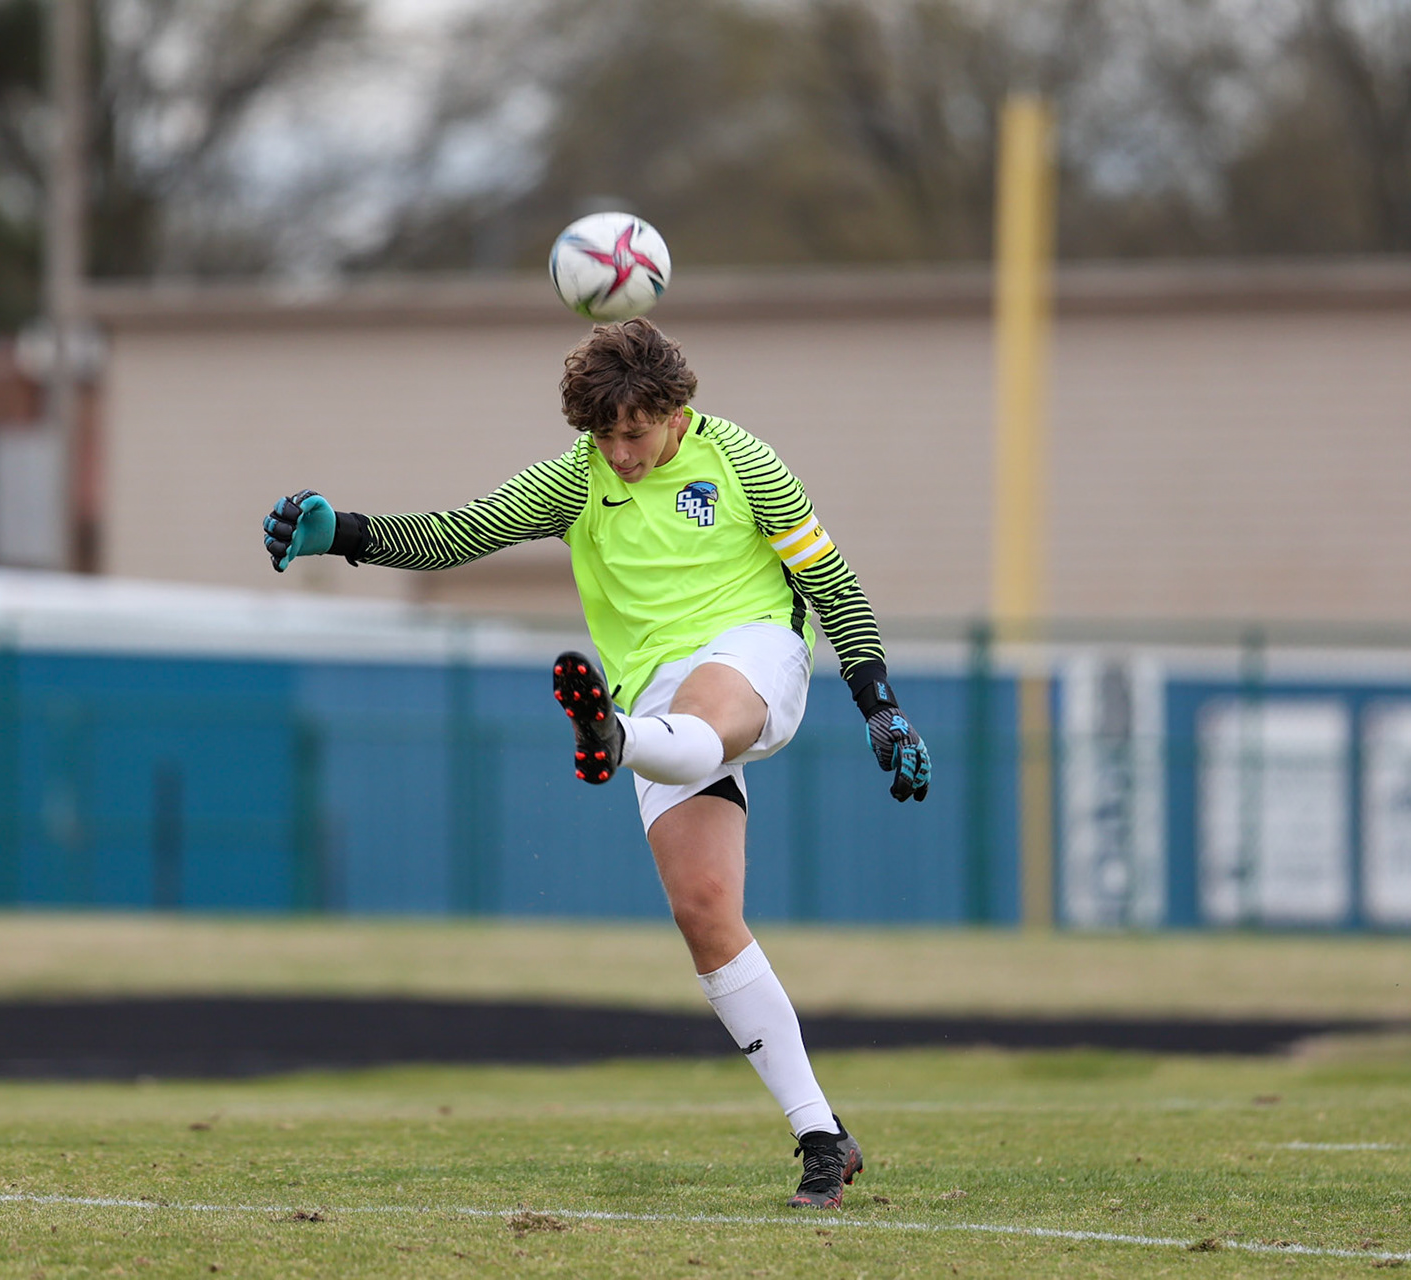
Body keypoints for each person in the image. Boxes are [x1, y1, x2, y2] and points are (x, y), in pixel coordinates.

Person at [260, 317, 931, 1210]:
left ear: (675, 409)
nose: (619, 451)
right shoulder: (577, 482)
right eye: (603, 434)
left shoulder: (746, 463)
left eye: (635, 431)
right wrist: (337, 530)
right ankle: (821, 1134)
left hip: (754, 653)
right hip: (648, 700)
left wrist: (879, 706)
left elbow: (832, 585)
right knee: (706, 915)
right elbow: (457, 534)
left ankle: (613, 740)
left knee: (703, 710)